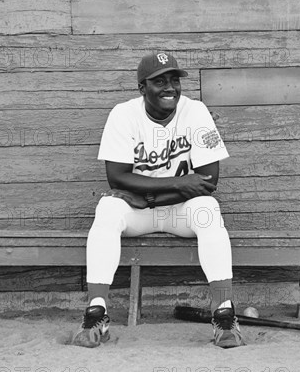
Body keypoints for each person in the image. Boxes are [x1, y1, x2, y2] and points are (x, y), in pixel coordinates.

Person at [72, 52, 244, 349]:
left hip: (179, 209)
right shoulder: (123, 114)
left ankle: (224, 314)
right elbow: (117, 177)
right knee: (108, 209)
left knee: (208, 211)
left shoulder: (196, 112)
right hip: (138, 211)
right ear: (142, 88)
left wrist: (150, 194)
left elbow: (208, 181)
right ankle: (96, 312)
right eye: (160, 81)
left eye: (174, 80)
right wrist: (178, 182)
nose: (170, 87)